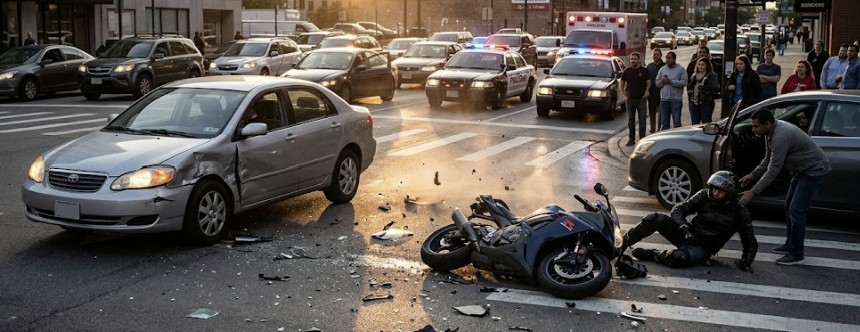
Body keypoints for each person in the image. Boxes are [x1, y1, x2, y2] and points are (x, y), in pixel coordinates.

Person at [739, 109, 830, 265]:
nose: (753, 130)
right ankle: (790, 244)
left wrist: (753, 192)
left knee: (796, 211)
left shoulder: (780, 136)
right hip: (800, 171)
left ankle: (796, 253)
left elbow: (773, 170)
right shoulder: (770, 133)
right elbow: (767, 159)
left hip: (813, 171)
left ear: (767, 124)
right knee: (789, 207)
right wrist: (753, 175)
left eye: (756, 126)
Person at [621, 171, 757, 271]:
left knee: (676, 258)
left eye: (721, 191)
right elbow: (678, 209)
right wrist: (684, 228)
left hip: (703, 248)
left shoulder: (739, 211)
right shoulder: (704, 195)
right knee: (654, 218)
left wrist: (747, 260)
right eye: (715, 188)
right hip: (687, 234)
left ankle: (653, 254)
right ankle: (621, 245)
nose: (716, 193)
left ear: (730, 194)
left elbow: (749, 239)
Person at [620, 52, 651, 146]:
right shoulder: (626, 71)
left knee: (642, 120)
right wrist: (624, 94)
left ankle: (642, 140)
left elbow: (648, 82)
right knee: (631, 120)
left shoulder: (644, 71)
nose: (633, 60)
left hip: (641, 100)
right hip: (630, 100)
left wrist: (646, 92)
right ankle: (631, 139)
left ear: (639, 60)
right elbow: (621, 83)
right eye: (631, 59)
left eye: (635, 59)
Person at [655, 51, 687, 130]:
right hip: (664, 100)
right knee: (664, 123)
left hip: (676, 100)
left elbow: (684, 82)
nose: (667, 60)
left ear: (674, 59)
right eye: (666, 58)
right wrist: (662, 82)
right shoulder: (662, 69)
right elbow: (656, 83)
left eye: (669, 58)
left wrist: (671, 82)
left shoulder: (681, 69)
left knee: (677, 122)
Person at [687, 57, 719, 124]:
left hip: (706, 103)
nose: (700, 67)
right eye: (699, 64)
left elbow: (714, 89)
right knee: (695, 123)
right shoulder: (694, 75)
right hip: (694, 102)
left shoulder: (711, 76)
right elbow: (689, 86)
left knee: (706, 122)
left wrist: (704, 89)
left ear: (707, 66)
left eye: (702, 65)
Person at [646, 48, 665, 133]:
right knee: (652, 112)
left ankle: (659, 129)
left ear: (661, 55)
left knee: (661, 113)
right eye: (654, 54)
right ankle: (652, 129)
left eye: (657, 54)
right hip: (651, 93)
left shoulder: (665, 66)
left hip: (662, 93)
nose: (656, 56)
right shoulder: (649, 66)